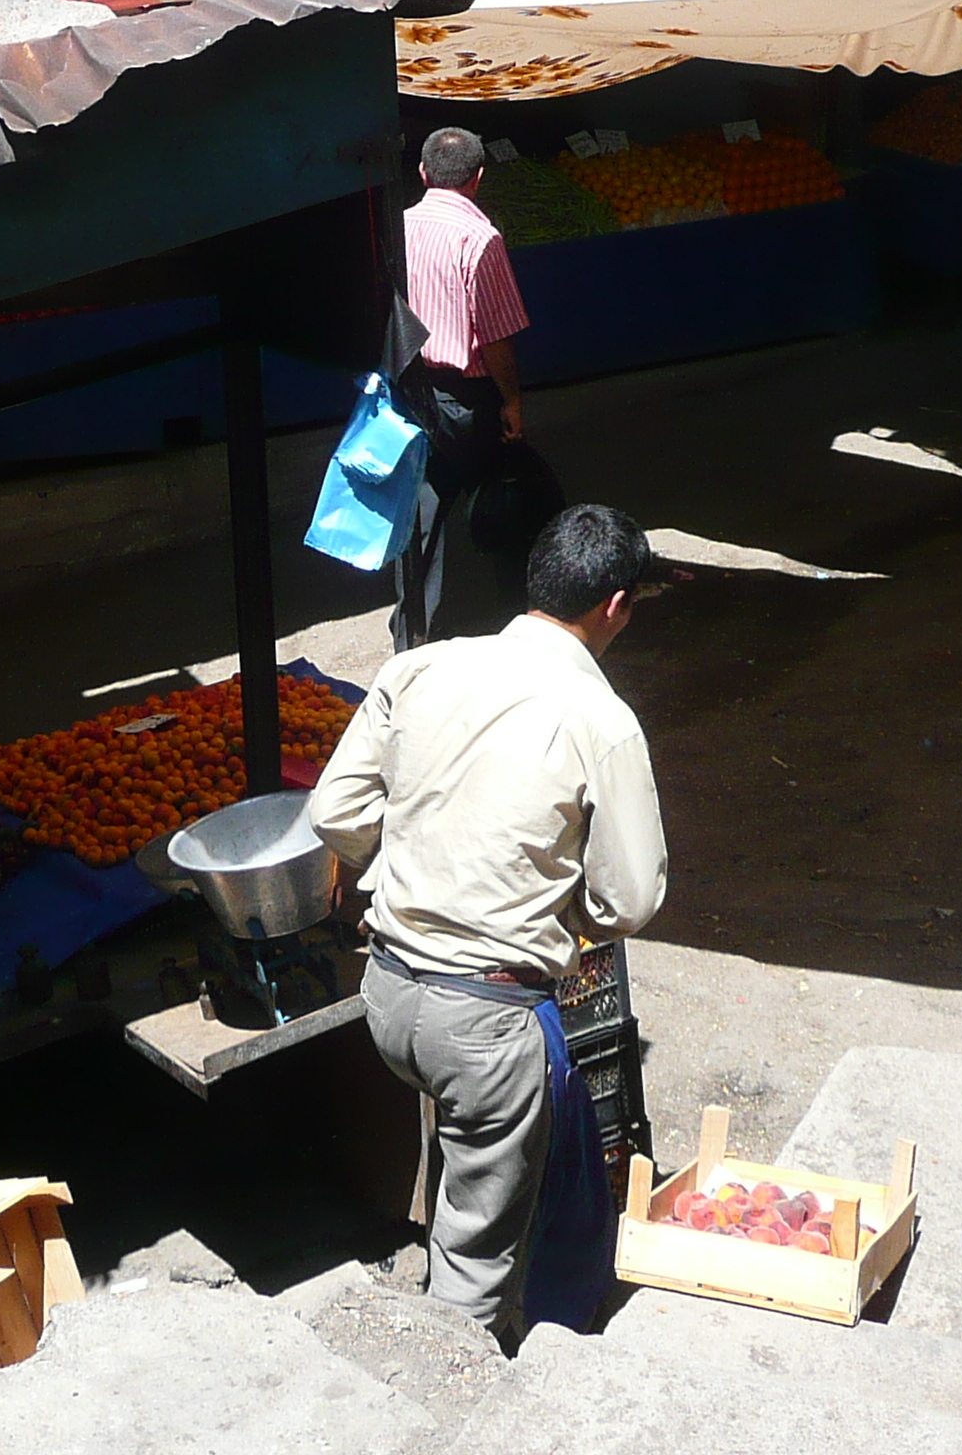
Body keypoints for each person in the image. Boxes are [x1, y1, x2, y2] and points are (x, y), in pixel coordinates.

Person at [307, 504, 669, 1350]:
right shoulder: (601, 719)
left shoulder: (419, 669)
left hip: (389, 997)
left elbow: (336, 810)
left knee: (467, 1165)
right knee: (474, 1268)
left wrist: (411, 854)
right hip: (487, 1025)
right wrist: (558, 906)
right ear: (616, 605)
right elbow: (631, 902)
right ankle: (446, 1401)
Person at [395, 126, 532, 649]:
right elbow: (496, 338)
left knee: (422, 519)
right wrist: (513, 402)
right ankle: (514, 626)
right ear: (478, 179)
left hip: (413, 391)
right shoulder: (481, 238)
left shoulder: (399, 227)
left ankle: (412, 640)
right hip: (467, 397)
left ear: (424, 173)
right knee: (509, 505)